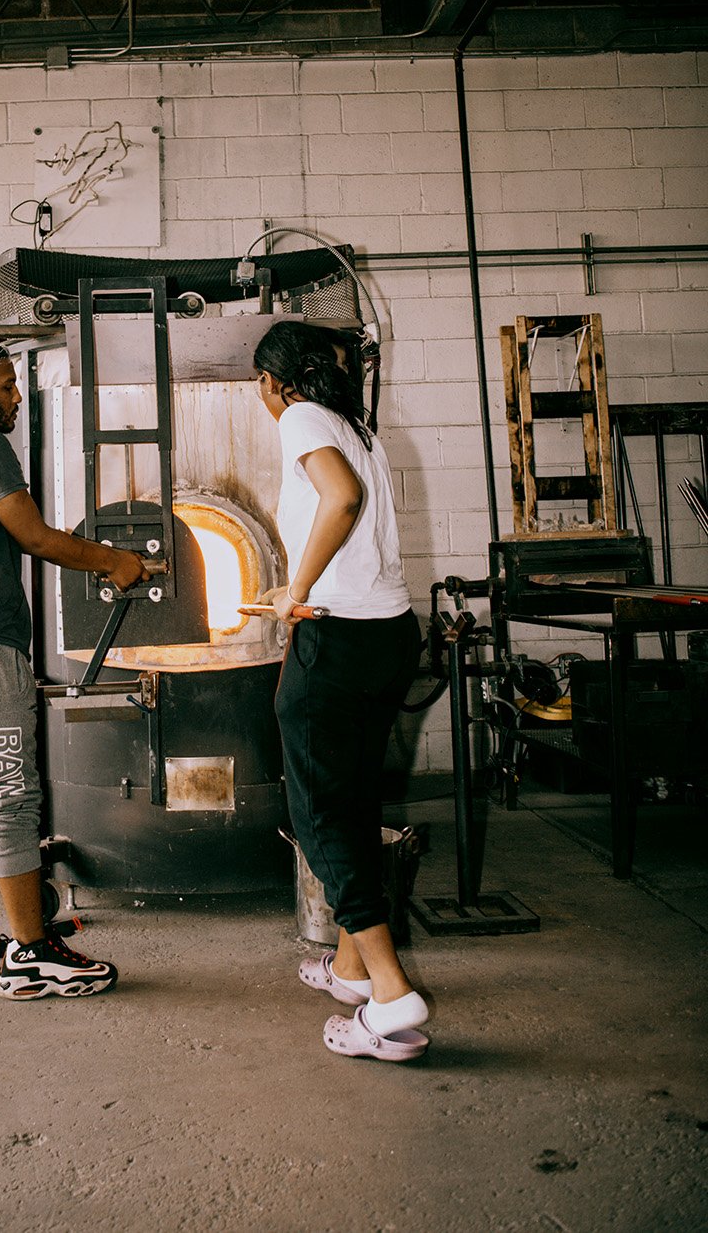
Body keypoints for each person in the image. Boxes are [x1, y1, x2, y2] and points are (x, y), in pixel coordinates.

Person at [0, 339, 147, 997]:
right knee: (10, 792)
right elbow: (35, 536)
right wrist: (113, 560)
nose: (16, 397)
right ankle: (31, 952)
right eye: (7, 386)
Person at [253, 320, 430, 1062]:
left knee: (320, 813)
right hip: (390, 635)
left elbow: (341, 498)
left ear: (273, 381)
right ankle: (354, 970)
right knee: (355, 798)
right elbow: (350, 509)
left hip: (341, 641)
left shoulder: (297, 415)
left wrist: (296, 591)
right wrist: (297, 585)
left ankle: (391, 996)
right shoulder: (357, 424)